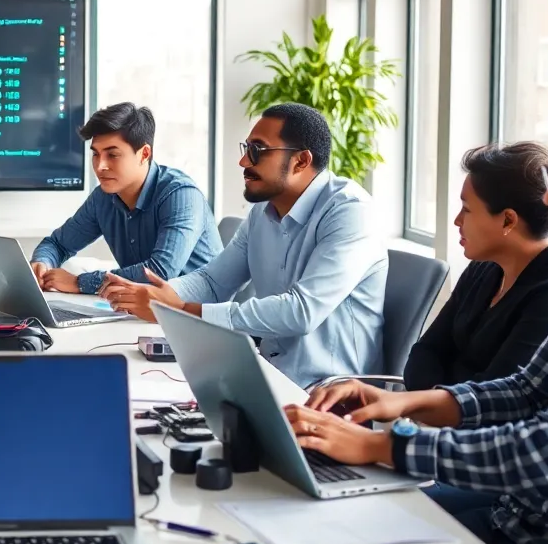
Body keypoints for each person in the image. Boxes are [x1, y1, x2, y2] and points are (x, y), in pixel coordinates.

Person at [286, 73, 548, 544]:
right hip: (522, 520)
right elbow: (529, 389)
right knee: (331, 533)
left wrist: (383, 445)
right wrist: (403, 400)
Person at [101, 102, 387, 388]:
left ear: (301, 161)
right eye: (246, 149)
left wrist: (183, 310)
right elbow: (214, 282)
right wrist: (158, 296)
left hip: (330, 395)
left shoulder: (350, 211)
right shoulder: (262, 212)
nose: (243, 162)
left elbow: (301, 312)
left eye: (257, 151)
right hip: (269, 374)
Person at [403, 143, 548, 390]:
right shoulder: (483, 267)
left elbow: (497, 393)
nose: (457, 220)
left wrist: (430, 405)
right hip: (441, 421)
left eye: (466, 209)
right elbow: (425, 351)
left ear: (508, 219)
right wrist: (430, 407)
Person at [28, 102, 221, 295]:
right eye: (96, 154)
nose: (100, 166)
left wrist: (79, 282)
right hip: (143, 312)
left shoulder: (181, 195)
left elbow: (160, 272)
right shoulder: (103, 198)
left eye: (113, 155)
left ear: (144, 154)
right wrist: (42, 264)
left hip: (197, 315)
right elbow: (58, 244)